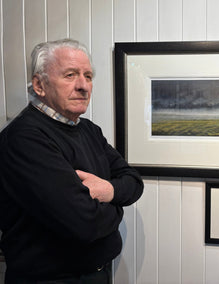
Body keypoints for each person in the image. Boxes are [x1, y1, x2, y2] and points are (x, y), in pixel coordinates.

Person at [0, 38, 144, 283]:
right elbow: (84, 223)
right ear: (39, 85)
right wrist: (118, 204)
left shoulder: (88, 130)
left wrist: (107, 190)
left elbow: (134, 182)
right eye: (70, 75)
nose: (83, 86)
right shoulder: (25, 139)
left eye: (88, 76)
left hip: (98, 273)